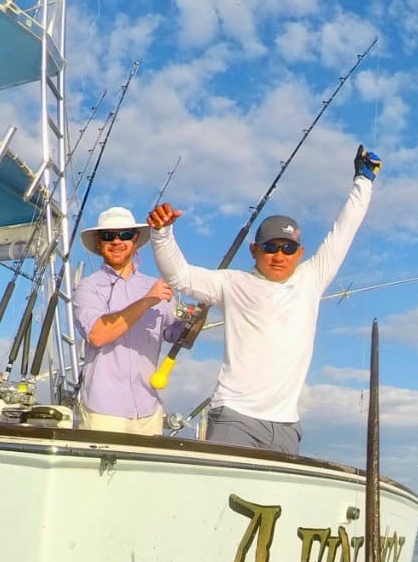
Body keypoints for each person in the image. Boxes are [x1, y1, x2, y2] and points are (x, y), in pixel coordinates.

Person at [147, 144, 382, 454]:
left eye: (287, 249)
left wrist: (363, 180)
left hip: (286, 426)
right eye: (270, 248)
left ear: (300, 253)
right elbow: (180, 276)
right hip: (234, 418)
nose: (278, 256)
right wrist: (162, 233)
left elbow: (344, 229)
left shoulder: (312, 278)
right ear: (254, 251)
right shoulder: (232, 283)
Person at [72, 206, 183, 435]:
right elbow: (98, 334)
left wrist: (196, 319)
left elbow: (176, 336)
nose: (116, 241)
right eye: (108, 236)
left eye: (124, 235)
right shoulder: (88, 287)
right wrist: (147, 301)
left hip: (149, 412)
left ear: (134, 240)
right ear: (98, 242)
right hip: (103, 411)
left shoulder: (158, 287)